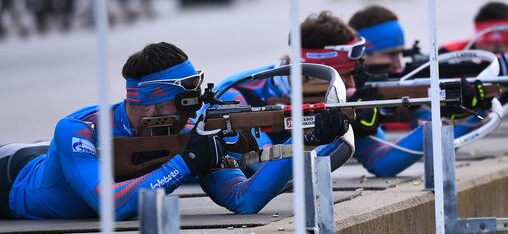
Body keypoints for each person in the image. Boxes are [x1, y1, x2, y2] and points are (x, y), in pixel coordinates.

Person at [1, 42, 347, 220]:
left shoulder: (192, 129)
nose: (194, 112)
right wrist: (186, 162)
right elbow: (110, 206)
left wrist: (301, 141)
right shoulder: (78, 129)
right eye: (184, 103)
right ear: (151, 104)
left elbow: (244, 200)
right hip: (11, 175)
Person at [347, 6, 487, 177]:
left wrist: (463, 113)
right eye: (390, 55)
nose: (399, 65)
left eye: (401, 54)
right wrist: (472, 117)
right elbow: (383, 164)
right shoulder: (346, 94)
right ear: (362, 55)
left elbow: (440, 145)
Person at [216, 12, 358, 170]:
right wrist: (312, 141)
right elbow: (262, 167)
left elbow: (382, 161)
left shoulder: (335, 96)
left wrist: (362, 129)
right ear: (311, 74)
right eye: (344, 77)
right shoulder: (235, 92)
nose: (352, 84)